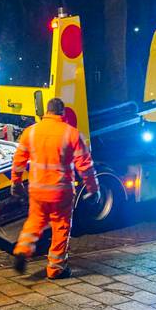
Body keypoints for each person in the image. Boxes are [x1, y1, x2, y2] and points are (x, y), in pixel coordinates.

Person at [10, 97, 98, 280]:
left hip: (37, 190)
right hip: (61, 191)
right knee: (61, 227)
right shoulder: (71, 134)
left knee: (35, 222)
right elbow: (85, 165)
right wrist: (93, 188)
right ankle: (56, 268)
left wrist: (16, 183)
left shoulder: (30, 132)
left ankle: (22, 250)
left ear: (46, 113)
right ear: (62, 113)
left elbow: (18, 161)